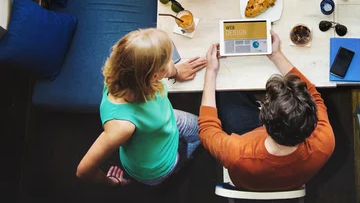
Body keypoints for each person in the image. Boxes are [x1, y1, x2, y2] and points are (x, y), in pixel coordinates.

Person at [198, 31, 335, 191]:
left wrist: (211, 71)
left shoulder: (238, 153)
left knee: (226, 93)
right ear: (312, 121)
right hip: (292, 176)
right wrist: (275, 55)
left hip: (249, 153)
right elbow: (314, 95)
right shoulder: (325, 141)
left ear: (262, 116)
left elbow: (207, 128)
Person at [76, 28, 206, 187]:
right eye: (165, 63)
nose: (171, 64)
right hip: (158, 165)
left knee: (203, 128)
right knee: (205, 136)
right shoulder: (121, 126)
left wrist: (176, 72)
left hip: (165, 122)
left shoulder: (125, 72)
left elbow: (165, 66)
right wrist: (113, 183)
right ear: (153, 75)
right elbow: (83, 170)